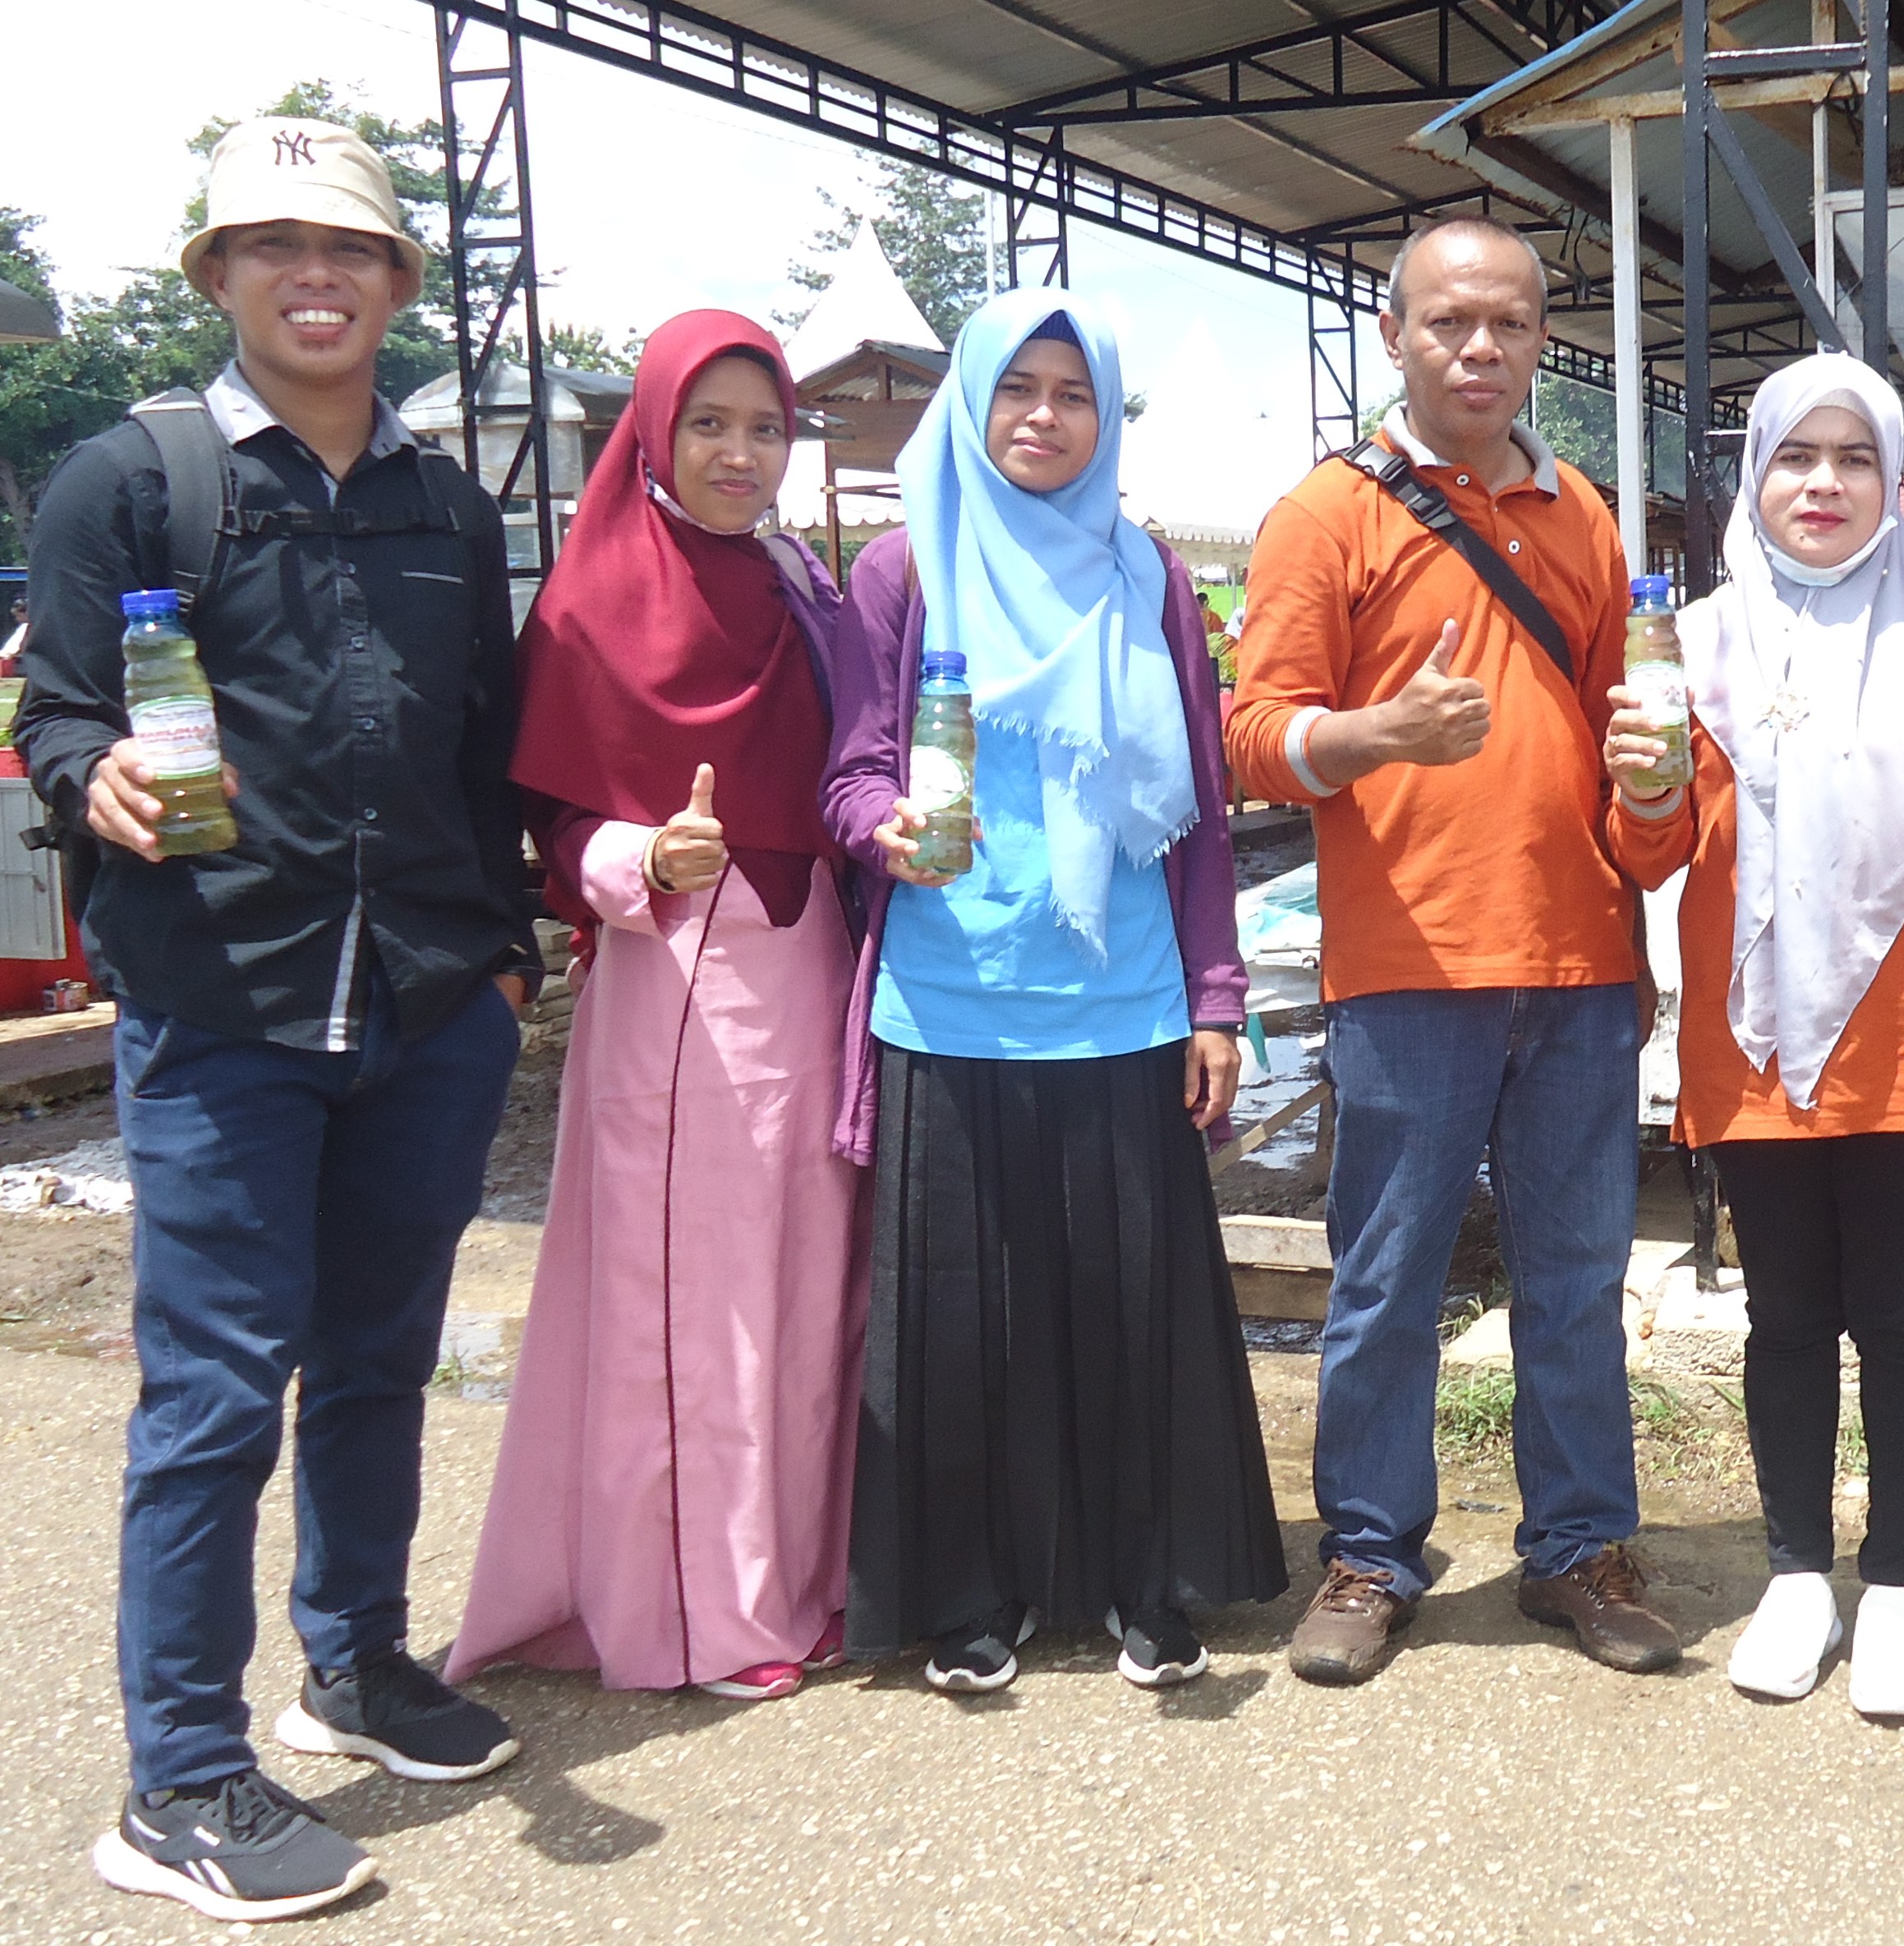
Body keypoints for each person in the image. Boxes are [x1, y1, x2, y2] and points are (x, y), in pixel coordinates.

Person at [18, 118, 536, 1922]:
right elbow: (59, 711)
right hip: (224, 1001)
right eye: (275, 246)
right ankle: (177, 1776)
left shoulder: (446, 504)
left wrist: (504, 960)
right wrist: (91, 777)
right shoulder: (129, 480)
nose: (317, 276)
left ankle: (356, 1662)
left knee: (383, 1356)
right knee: (218, 1389)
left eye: (353, 249)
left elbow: (484, 746)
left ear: (398, 284)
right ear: (219, 276)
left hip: (424, 1001)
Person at [1227, 217, 1676, 1686]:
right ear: (1394, 333)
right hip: (1408, 969)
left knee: (1576, 1278)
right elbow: (1249, 739)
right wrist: (1379, 734)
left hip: (1579, 968)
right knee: (1387, 1279)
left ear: (1545, 339)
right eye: (1448, 322)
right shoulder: (1327, 516)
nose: (1481, 348)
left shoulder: (1583, 514)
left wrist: (1649, 845)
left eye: (1511, 323)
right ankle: (1369, 1552)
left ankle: (1579, 1548)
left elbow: (1623, 740)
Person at [826, 289, 1282, 1693]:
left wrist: (1218, 998)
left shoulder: (1146, 578)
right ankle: (975, 1594)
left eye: (1073, 394)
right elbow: (851, 769)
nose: (1042, 416)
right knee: (965, 1317)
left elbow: (1201, 813)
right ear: (970, 400)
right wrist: (884, 824)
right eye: (1016, 387)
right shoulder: (903, 568)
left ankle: (1147, 1582)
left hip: (1123, 998)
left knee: (1126, 1307)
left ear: (1105, 419)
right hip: (950, 996)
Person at [1601, 356, 1904, 1718]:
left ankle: (1900, 1582)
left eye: (1853, 458)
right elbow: (1649, 853)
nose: (1823, 483)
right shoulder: (1691, 647)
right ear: (1754, 477)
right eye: (1794, 458)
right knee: (1787, 1320)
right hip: (1758, 1041)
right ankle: (1798, 1573)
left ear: (1895, 481)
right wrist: (1643, 790)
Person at [445, 311, 860, 1703]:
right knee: (693, 1303)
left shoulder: (798, 583)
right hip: (681, 977)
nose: (742, 455)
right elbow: (548, 817)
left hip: (810, 969)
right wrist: (641, 858)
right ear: (654, 433)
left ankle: (800, 1577)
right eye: (710, 425)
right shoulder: (590, 599)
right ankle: (694, 1615)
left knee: (805, 1289)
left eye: (767, 428)